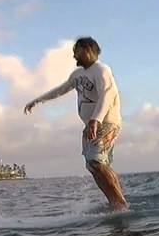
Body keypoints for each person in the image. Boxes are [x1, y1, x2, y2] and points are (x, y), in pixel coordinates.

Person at [23, 37, 128, 211]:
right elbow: (60, 90)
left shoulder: (101, 70)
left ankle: (120, 203)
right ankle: (114, 201)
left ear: (87, 49)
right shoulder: (77, 75)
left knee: (96, 161)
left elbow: (107, 95)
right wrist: (38, 100)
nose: (74, 56)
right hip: (91, 124)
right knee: (93, 166)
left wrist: (96, 120)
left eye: (76, 51)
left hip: (106, 122)